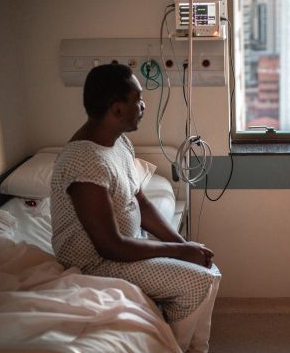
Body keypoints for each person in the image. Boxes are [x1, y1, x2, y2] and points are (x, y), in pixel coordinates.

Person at [50, 63, 220, 353]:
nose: (143, 105)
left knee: (208, 269)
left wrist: (183, 244)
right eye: (138, 99)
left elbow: (141, 201)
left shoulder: (120, 144)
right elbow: (109, 246)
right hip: (95, 265)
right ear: (117, 109)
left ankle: (194, 347)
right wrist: (180, 252)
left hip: (125, 250)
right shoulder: (84, 161)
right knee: (198, 283)